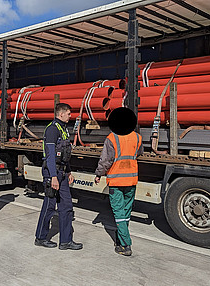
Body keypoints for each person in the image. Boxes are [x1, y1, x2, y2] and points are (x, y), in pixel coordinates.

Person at [94, 107, 143, 256]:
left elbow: (106, 160)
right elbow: (139, 153)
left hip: (116, 181)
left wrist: (98, 174)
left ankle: (125, 244)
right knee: (126, 213)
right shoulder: (137, 137)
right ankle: (121, 239)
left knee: (119, 214)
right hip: (132, 181)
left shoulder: (112, 138)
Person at [35, 103, 83, 250]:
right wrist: (53, 177)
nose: (71, 116)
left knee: (67, 206)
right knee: (49, 207)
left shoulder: (64, 129)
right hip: (52, 173)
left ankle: (65, 241)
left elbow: (65, 154)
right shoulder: (52, 129)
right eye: (69, 113)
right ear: (61, 114)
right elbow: (49, 156)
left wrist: (68, 171)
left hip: (62, 173)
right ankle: (41, 238)